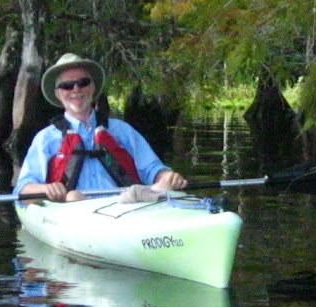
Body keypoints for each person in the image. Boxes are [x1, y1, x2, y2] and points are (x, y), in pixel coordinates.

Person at [15, 53, 189, 202]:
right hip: (74, 211)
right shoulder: (45, 139)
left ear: (92, 88)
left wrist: (167, 176)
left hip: (125, 205)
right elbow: (23, 189)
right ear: (58, 94)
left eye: (83, 82)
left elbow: (152, 169)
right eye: (67, 85)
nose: (76, 89)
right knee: (73, 196)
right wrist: (46, 189)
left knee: (165, 186)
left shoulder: (122, 131)